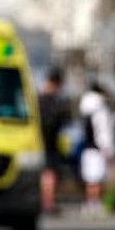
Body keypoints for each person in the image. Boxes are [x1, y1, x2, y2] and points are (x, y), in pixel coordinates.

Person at [77, 82, 114, 217]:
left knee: (90, 180)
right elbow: (104, 132)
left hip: (86, 149)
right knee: (97, 179)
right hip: (98, 149)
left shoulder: (85, 107)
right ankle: (96, 204)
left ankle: (89, 203)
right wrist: (108, 149)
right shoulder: (100, 109)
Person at [36, 70, 69, 215]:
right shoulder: (51, 101)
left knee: (47, 173)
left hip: (38, 142)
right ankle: (48, 203)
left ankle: (47, 202)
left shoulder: (37, 99)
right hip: (48, 142)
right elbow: (57, 121)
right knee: (49, 174)